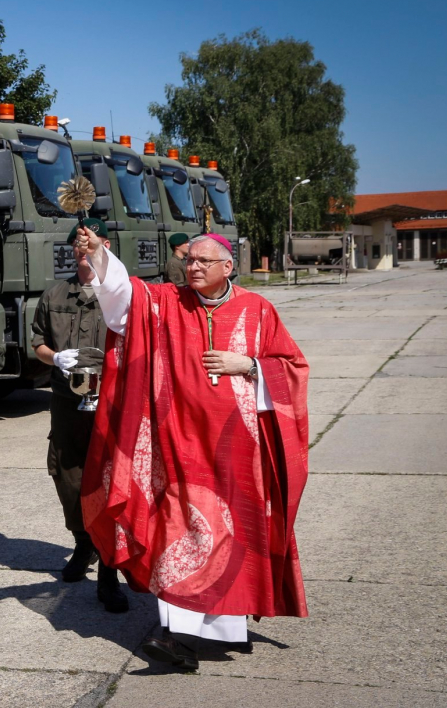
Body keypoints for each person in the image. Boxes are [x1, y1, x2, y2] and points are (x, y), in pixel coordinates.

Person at [74, 228, 309, 671]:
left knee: (233, 539)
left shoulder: (258, 310)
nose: (193, 267)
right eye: (190, 260)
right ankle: (179, 637)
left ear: (228, 266)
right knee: (180, 534)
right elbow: (124, 301)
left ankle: (224, 630)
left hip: (239, 450)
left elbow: (293, 367)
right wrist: (101, 255)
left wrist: (252, 364)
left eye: (204, 261)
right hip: (177, 443)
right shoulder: (166, 302)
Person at [31, 218, 129, 615]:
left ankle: (109, 572)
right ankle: (82, 543)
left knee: (108, 481)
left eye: (88, 242)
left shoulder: (121, 296)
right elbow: (37, 341)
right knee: (67, 474)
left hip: (110, 401)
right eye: (75, 243)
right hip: (67, 402)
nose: (81, 248)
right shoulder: (55, 294)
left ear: (104, 245)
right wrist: (54, 357)